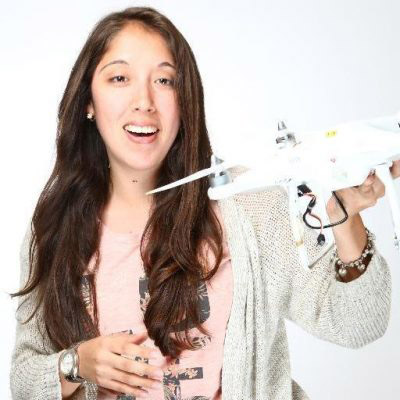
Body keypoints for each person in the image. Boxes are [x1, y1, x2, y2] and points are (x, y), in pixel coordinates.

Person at [9, 6, 398, 400]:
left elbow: (357, 324)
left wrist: (343, 217)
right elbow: (23, 379)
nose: (144, 101)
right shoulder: (55, 229)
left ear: (185, 100)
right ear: (88, 101)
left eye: (164, 80)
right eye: (120, 78)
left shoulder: (250, 209)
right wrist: (77, 363)